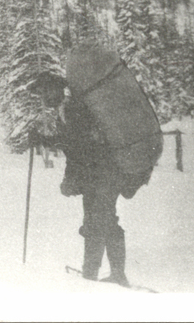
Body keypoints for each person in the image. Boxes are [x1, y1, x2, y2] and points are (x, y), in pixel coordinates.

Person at [59, 97, 130, 287]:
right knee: (102, 220)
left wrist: (70, 179)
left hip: (104, 173)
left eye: (47, 91)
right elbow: (72, 150)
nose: (44, 97)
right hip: (98, 175)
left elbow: (75, 146)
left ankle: (92, 274)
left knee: (96, 221)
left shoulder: (73, 108)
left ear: (57, 91)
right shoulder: (67, 109)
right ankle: (113, 273)